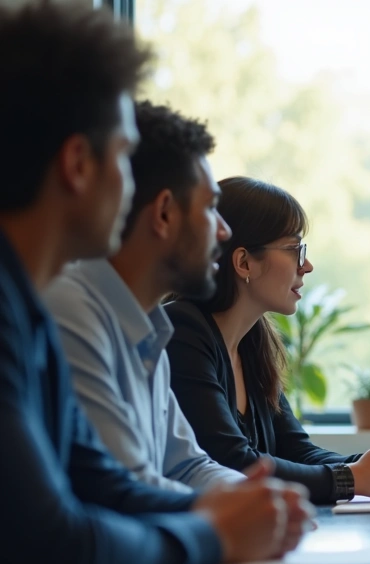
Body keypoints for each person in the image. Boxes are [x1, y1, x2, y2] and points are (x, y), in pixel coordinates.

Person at [0, 2, 309, 564]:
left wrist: (245, 513)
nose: (133, 183)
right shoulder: (36, 310)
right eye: (123, 156)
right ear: (78, 166)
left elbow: (104, 486)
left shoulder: (26, 311)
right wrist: (216, 535)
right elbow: (56, 545)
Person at [166, 176, 370, 503]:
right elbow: (232, 463)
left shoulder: (254, 341)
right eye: (294, 250)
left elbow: (296, 449)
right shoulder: (182, 331)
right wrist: (352, 478)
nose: (308, 266)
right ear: (244, 262)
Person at [43, 101, 246, 492]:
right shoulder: (71, 310)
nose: (223, 231)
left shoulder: (150, 329)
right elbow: (128, 487)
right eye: (211, 208)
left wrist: (254, 497)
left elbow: (188, 466)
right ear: (165, 214)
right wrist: (233, 513)